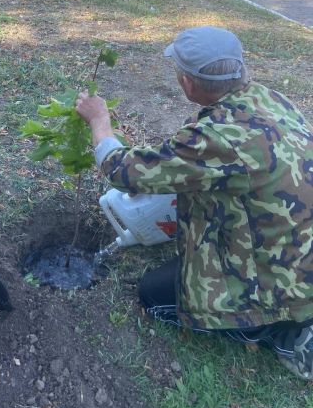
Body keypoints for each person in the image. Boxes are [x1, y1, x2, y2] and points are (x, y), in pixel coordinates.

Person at [76, 26, 313, 380]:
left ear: (187, 83)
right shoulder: (270, 99)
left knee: (154, 297)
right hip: (298, 246)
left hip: (285, 279)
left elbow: (121, 171)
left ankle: (289, 334)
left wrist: (100, 120)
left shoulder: (216, 138)